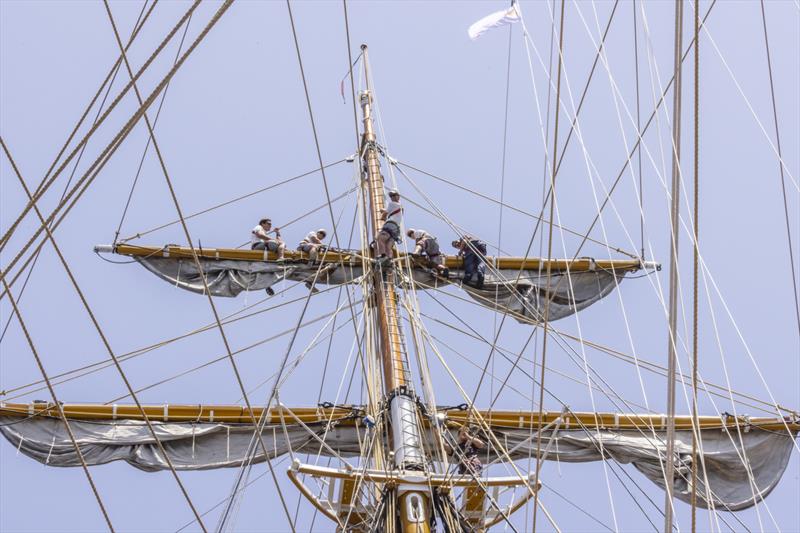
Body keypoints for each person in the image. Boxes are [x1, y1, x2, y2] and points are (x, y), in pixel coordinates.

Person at [375, 189, 403, 263]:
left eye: (394, 195)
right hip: (396, 230)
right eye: (391, 196)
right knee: (388, 246)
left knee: (380, 239)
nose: (392, 197)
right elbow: (390, 211)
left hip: (390, 225)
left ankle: (383, 256)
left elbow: (385, 213)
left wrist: (382, 217)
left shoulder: (392, 204)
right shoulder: (399, 206)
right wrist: (384, 210)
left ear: (398, 196)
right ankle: (390, 260)